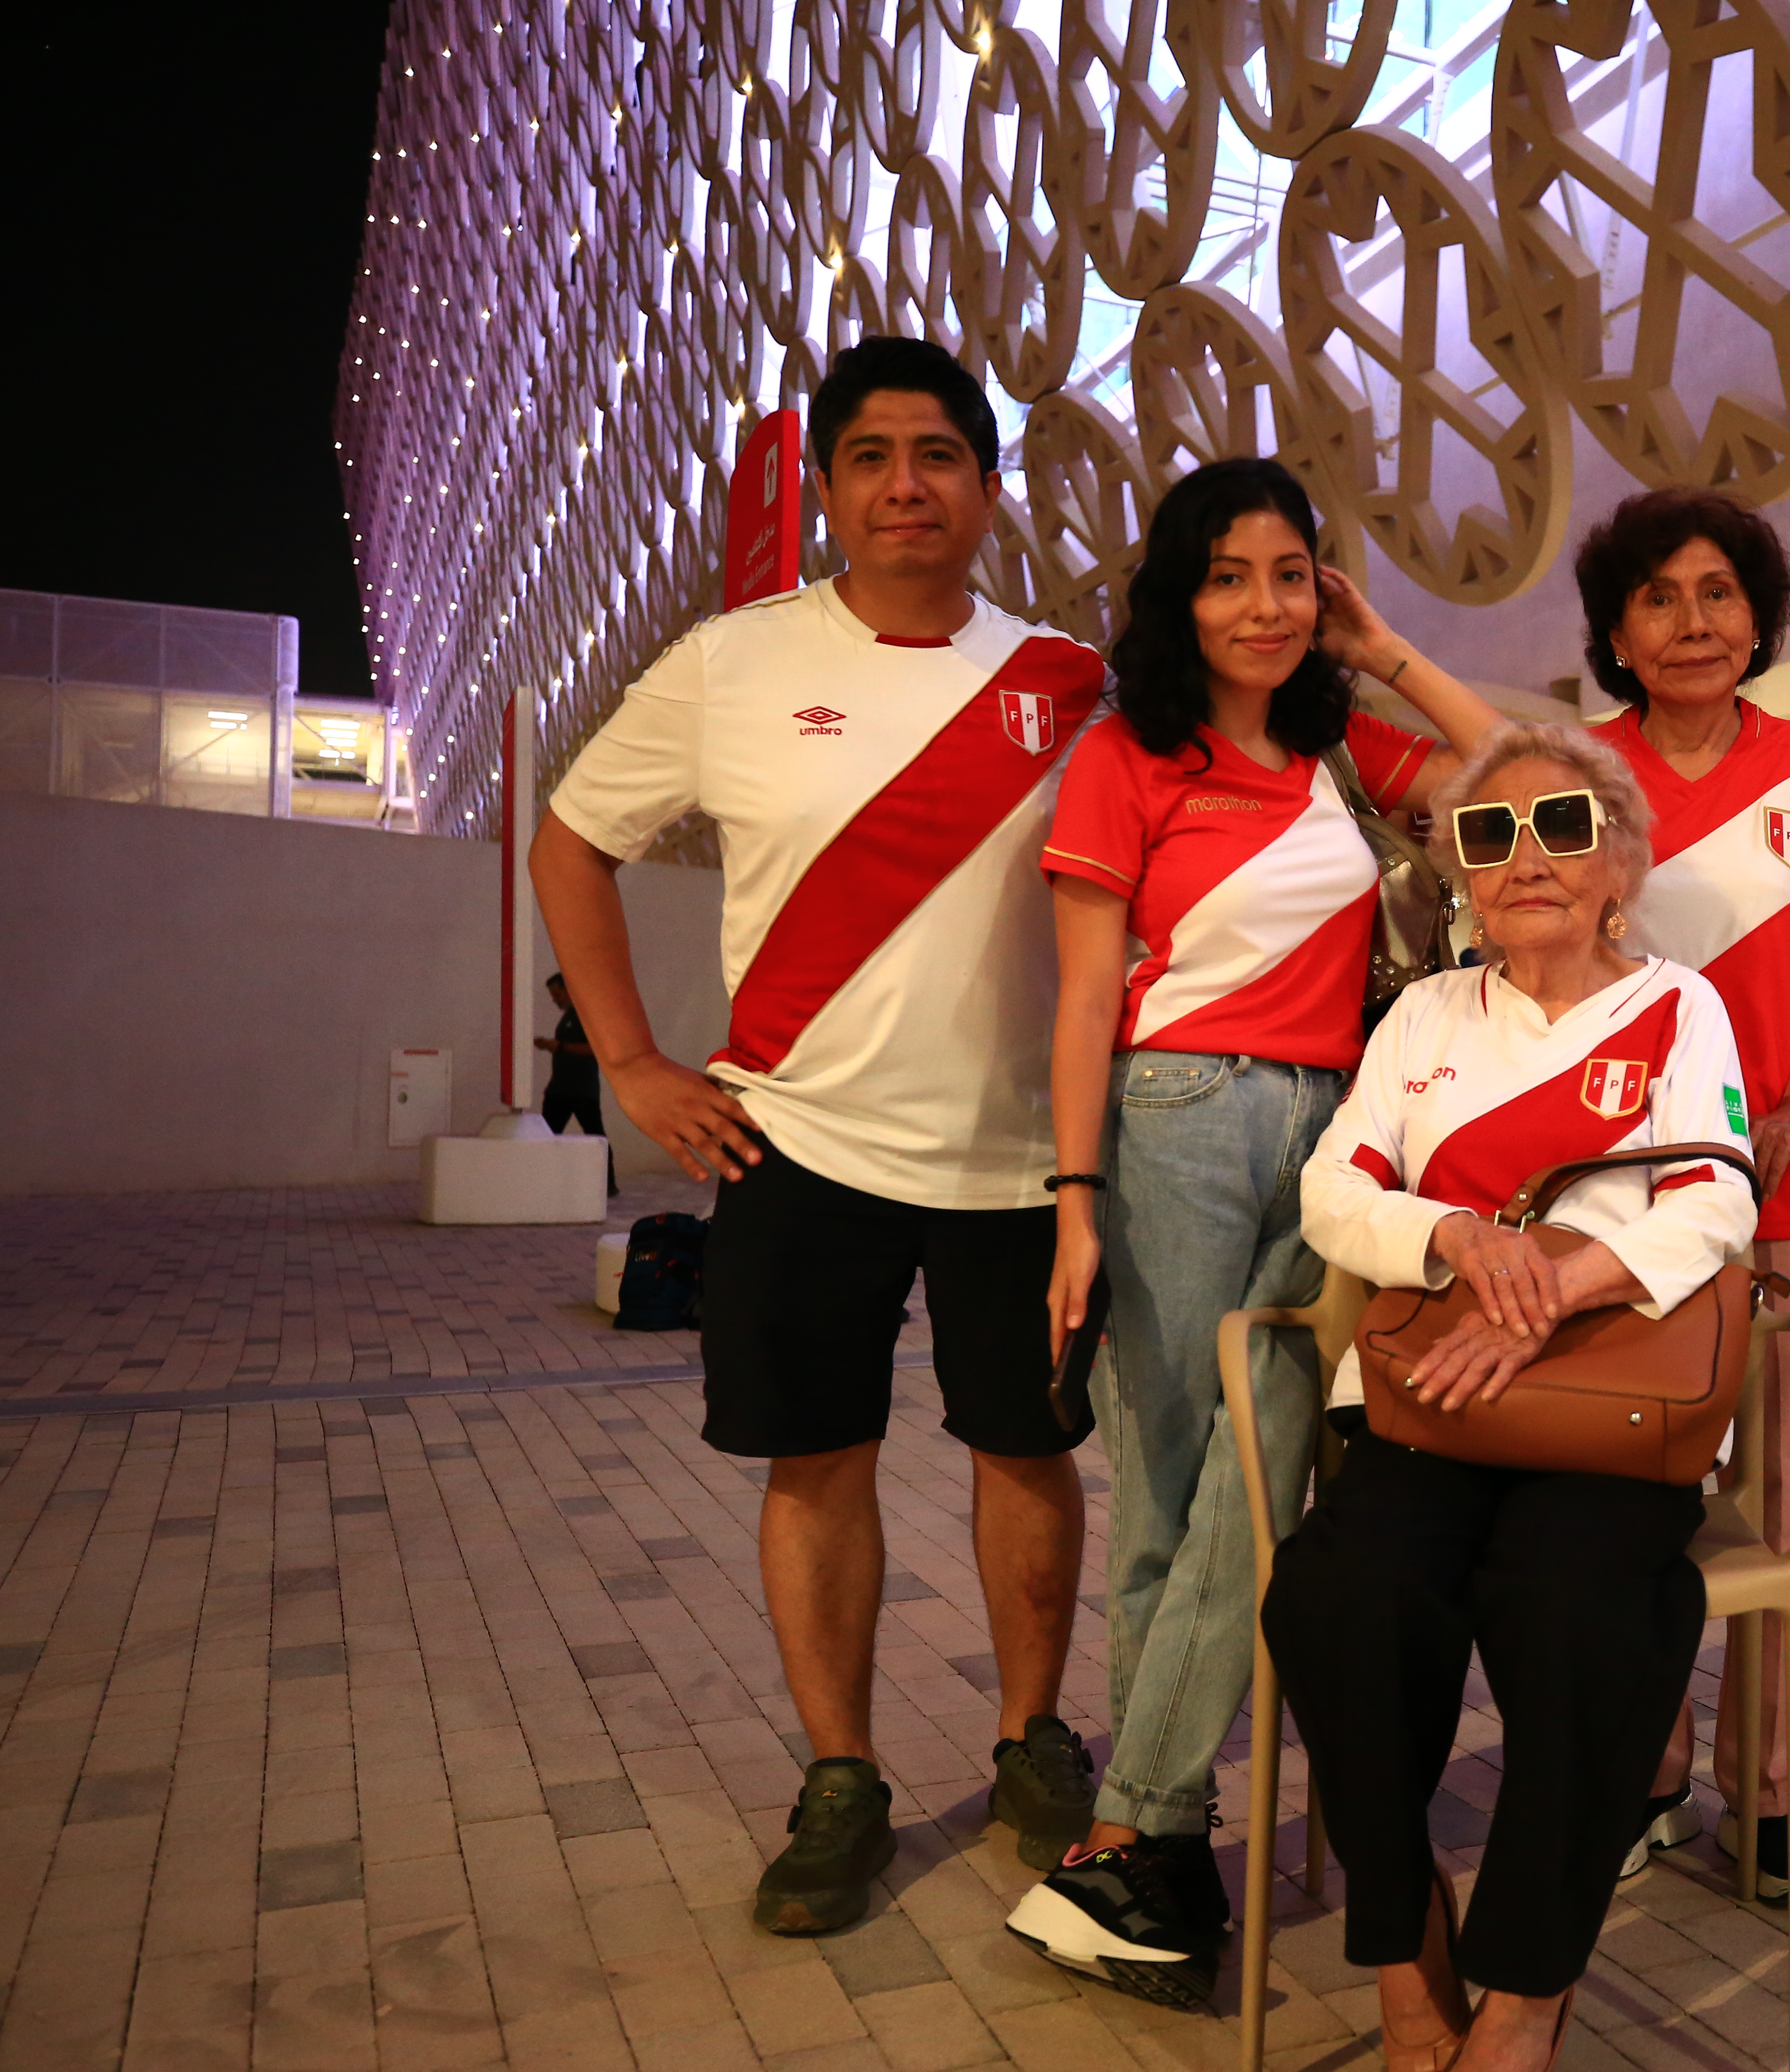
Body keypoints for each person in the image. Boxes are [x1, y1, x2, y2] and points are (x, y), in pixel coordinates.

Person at [528, 336, 1109, 1934]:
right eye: (871, 455)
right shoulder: (731, 662)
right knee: (815, 1458)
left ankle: (1030, 1737)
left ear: (989, 486)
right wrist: (632, 1056)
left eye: (938, 453)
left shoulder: (1061, 679)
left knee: (1028, 1448)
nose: (906, 482)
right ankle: (841, 1773)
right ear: (831, 484)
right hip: (792, 1145)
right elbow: (571, 840)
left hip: (1017, 1160)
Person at [1007, 456, 1506, 2003]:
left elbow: (1516, 768)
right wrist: (1075, 1199)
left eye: (1292, 574)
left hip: (1341, 1131)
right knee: (1170, 1490)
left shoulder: (1341, 739)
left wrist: (1379, 650)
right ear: (1179, 593)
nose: (1264, 605)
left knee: (1264, 1449)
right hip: (1172, 1124)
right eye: (1230, 575)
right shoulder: (1127, 756)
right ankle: (1154, 1846)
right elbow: (1088, 998)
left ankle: (1129, 1837)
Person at [1270, 723, 1759, 2072]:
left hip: (1599, 1414)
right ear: (1461, 878)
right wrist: (1452, 1243)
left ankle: (1527, 1988)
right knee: (1338, 1592)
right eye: (1487, 836)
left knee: (1591, 1606)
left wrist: (1549, 1286)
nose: (1522, 858)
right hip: (1428, 1400)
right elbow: (1333, 1190)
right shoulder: (1423, 1016)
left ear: (1618, 865)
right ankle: (1398, 1937)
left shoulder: (1680, 1005)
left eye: (1559, 827)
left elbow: (1716, 1196)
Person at [1573, 488, 1790, 1903]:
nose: (1695, 621)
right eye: (1661, 598)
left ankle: (1769, 1790)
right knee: (1632, 1491)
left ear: (1758, 616)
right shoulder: (1578, 769)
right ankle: (1646, 1762)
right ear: (1617, 634)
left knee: (1780, 1503)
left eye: (1720, 592)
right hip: (1627, 1190)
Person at [535, 971, 616, 1192]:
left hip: (581, 1090)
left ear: (570, 991)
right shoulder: (570, 1017)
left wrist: (558, 1047)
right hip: (561, 1088)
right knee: (547, 1136)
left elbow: (596, 1050)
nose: (555, 1000)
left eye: (558, 995)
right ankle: (542, 1180)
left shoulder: (585, 1016)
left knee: (595, 1137)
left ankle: (608, 1185)